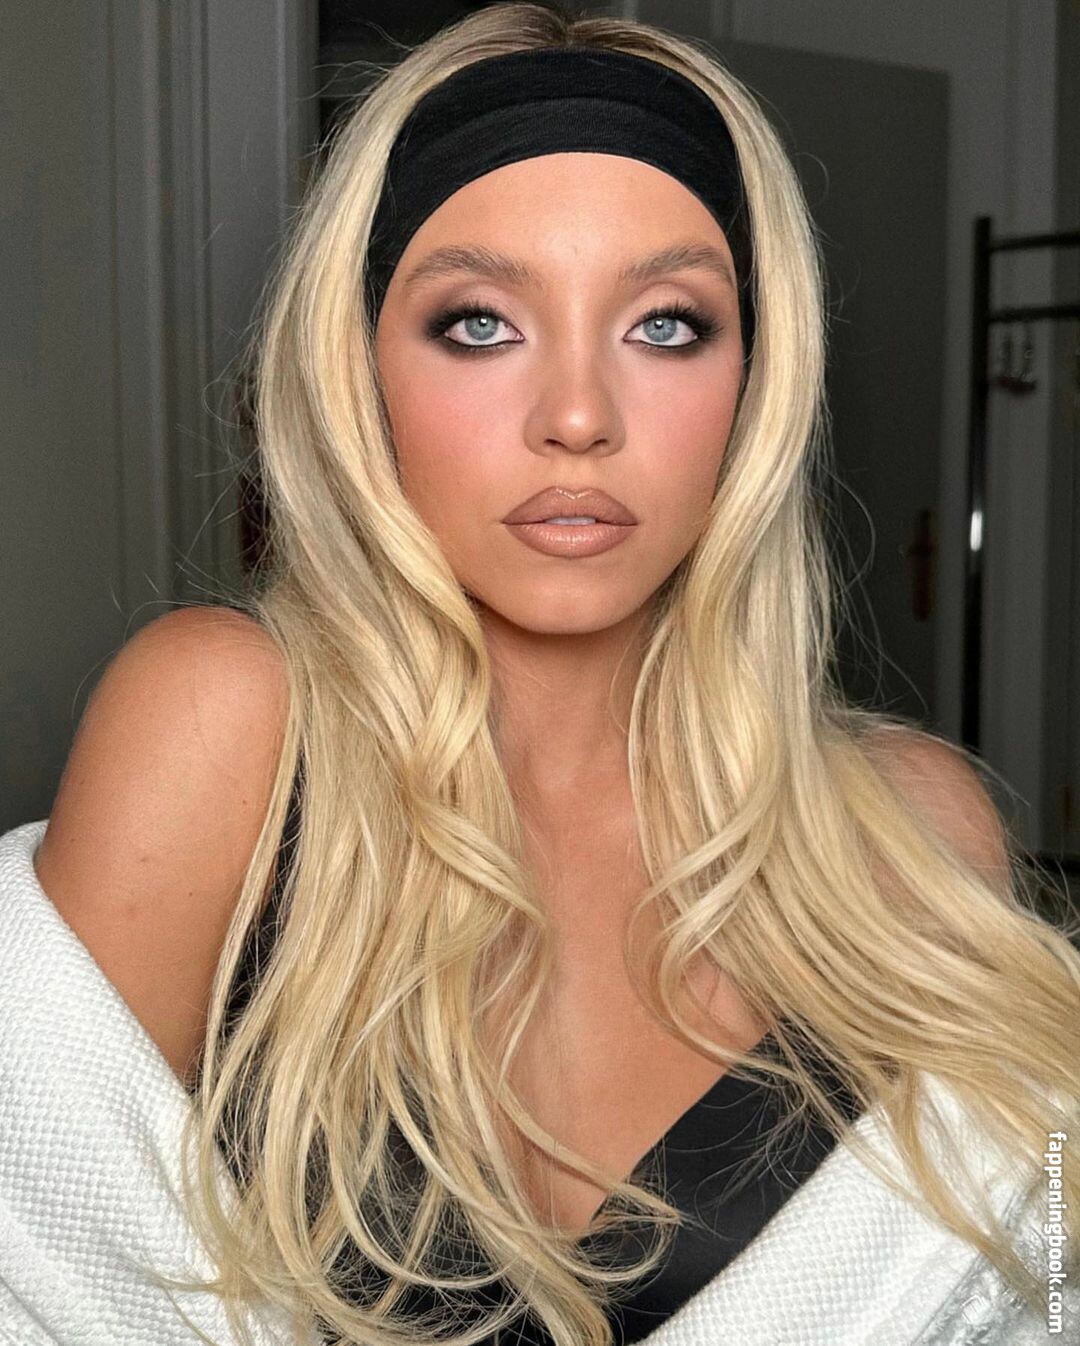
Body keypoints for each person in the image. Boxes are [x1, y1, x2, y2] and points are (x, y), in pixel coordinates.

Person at [23, 4, 1080, 1344]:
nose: (577, 417)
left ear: (755, 385)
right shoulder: (223, 726)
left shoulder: (911, 831)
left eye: (667, 325)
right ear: (359, 372)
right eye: (478, 323)